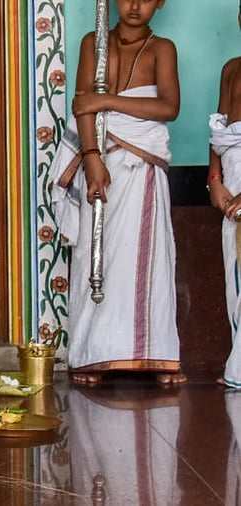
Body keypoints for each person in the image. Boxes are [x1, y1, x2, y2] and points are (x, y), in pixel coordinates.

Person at [49, 0, 185, 386]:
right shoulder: (93, 42)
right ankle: (94, 355)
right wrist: (91, 158)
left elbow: (169, 106)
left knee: (146, 260)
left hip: (142, 168)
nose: (135, 5)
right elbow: (81, 105)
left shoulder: (162, 48)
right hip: (102, 167)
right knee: (99, 258)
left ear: (160, 2)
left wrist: (105, 99)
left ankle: (154, 356)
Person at [207, 4, 241, 391]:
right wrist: (214, 179)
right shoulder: (231, 68)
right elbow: (217, 131)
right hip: (230, 184)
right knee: (235, 277)